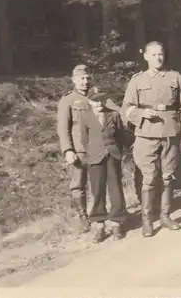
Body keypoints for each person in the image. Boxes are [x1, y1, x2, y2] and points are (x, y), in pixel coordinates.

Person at [122, 41, 181, 237]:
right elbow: (126, 108)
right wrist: (142, 113)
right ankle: (147, 220)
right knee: (149, 178)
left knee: (168, 177)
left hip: (170, 132)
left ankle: (166, 216)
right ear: (145, 56)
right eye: (153, 55)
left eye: (160, 54)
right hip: (146, 134)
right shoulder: (137, 80)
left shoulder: (174, 77)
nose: (158, 58)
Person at [79, 86, 129, 243]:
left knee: (115, 189)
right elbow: (84, 140)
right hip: (94, 157)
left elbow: (120, 136)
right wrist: (91, 153)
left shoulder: (113, 115)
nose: (99, 103)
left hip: (112, 156)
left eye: (101, 99)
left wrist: (116, 152)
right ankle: (99, 225)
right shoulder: (85, 117)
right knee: (97, 191)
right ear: (90, 102)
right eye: (95, 100)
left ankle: (116, 223)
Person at [57, 64, 93, 233]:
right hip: (78, 150)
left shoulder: (97, 96)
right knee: (78, 185)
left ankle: (100, 213)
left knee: (99, 183)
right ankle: (83, 217)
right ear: (73, 80)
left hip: (97, 148)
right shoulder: (67, 100)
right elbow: (63, 128)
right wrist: (68, 150)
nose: (85, 82)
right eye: (81, 79)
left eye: (87, 78)